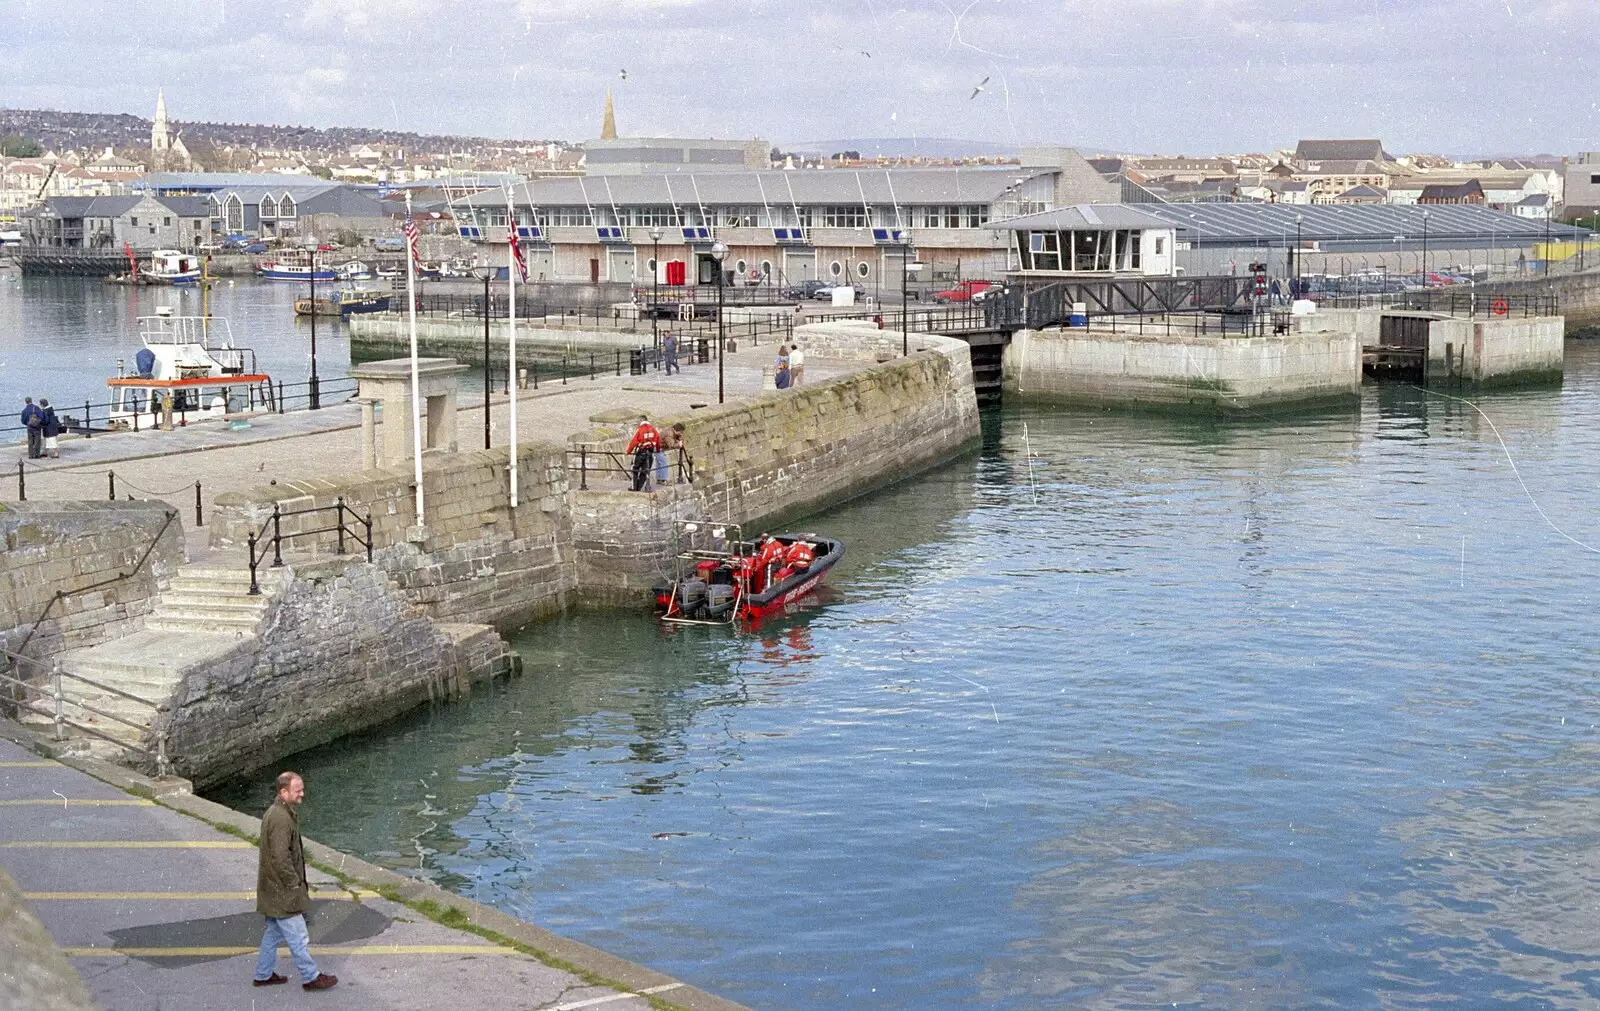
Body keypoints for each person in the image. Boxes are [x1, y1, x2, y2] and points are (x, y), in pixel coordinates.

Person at [253, 771, 337, 992]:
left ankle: (263, 974)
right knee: (299, 935)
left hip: (272, 890)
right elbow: (281, 859)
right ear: (283, 792)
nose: (302, 794)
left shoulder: (276, 813)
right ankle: (311, 977)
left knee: (273, 933)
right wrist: (295, 885)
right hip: (283, 892)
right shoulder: (281, 818)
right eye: (297, 790)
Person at [625, 416, 661, 492]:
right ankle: (639, 487)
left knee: (635, 469)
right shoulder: (654, 430)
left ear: (641, 421)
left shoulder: (640, 429)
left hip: (640, 452)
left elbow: (633, 442)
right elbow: (658, 440)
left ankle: (634, 487)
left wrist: (628, 451)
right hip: (650, 453)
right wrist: (657, 450)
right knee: (645, 471)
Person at [657, 421, 684, 486]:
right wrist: (679, 445)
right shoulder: (669, 434)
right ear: (676, 430)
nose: (681, 433)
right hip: (659, 448)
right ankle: (663, 480)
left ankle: (660, 479)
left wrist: (679, 438)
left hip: (659, 448)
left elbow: (679, 437)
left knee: (660, 463)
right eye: (680, 432)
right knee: (663, 463)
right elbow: (671, 445)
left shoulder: (672, 431)